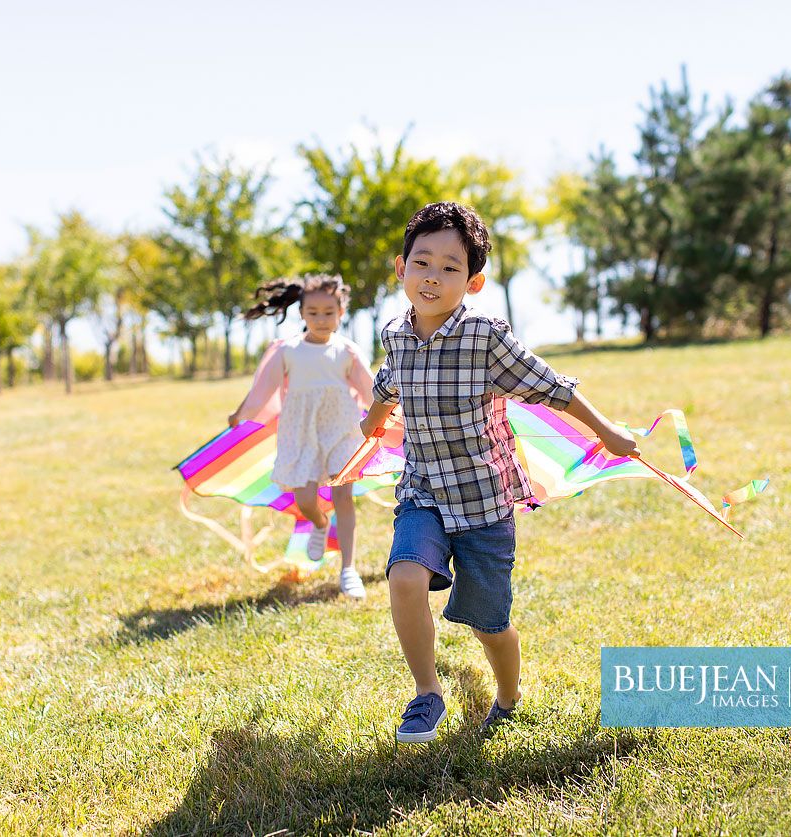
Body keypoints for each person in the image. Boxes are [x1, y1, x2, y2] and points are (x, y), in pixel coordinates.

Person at [360, 202, 641, 740]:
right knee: (404, 577)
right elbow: (387, 383)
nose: (432, 278)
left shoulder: (484, 337)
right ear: (401, 268)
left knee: (489, 623)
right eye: (422, 263)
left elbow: (553, 386)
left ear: (474, 281)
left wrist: (606, 431)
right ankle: (426, 693)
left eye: (450, 268)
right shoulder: (396, 334)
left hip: (483, 502)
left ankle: (509, 695)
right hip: (422, 493)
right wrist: (372, 421)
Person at [229, 274, 373, 599]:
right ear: (302, 314)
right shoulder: (288, 350)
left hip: (341, 431)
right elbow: (262, 391)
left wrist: (394, 415)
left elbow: (370, 391)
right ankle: (321, 525)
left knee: (343, 497)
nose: (321, 319)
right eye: (313, 312)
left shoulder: (347, 351)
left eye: (328, 312)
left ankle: (348, 569)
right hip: (301, 433)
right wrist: (241, 415)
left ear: (340, 312)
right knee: (305, 499)